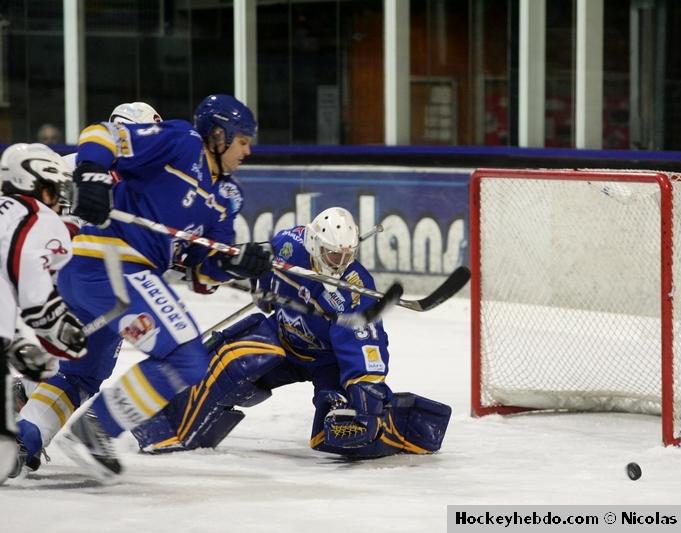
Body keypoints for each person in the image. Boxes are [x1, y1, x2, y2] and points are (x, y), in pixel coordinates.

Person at [14, 94, 272, 482]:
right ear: (219, 135)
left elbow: (202, 272)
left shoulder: (225, 198)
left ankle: (23, 439)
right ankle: (97, 430)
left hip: (98, 279)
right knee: (186, 354)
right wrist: (93, 176)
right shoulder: (182, 141)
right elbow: (101, 134)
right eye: (243, 141)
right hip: (110, 264)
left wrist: (235, 263)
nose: (248, 151)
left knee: (81, 374)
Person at [132, 207, 452, 459]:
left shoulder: (355, 289)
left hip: (328, 362)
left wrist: (365, 386)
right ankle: (173, 426)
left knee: (343, 429)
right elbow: (263, 261)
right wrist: (262, 286)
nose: (340, 263)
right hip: (282, 338)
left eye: (347, 256)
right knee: (231, 359)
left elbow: (365, 343)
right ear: (315, 244)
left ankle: (404, 424)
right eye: (333, 255)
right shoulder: (290, 243)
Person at [0, 143, 88, 485]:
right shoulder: (37, 219)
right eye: (53, 189)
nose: (59, 199)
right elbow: (34, 293)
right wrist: (61, 329)